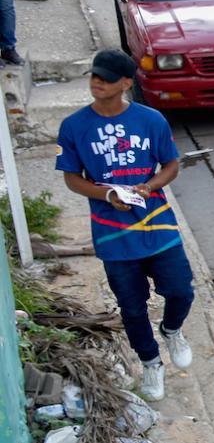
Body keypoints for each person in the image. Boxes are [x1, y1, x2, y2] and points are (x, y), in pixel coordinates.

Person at [56, 49, 194, 402]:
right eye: (94, 76)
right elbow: (72, 178)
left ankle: (172, 330)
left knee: (181, 290)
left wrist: (149, 186)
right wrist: (107, 194)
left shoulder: (151, 120)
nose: (97, 83)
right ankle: (151, 363)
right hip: (112, 233)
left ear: (126, 83)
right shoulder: (74, 126)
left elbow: (171, 165)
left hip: (158, 225)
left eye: (105, 78)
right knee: (132, 308)